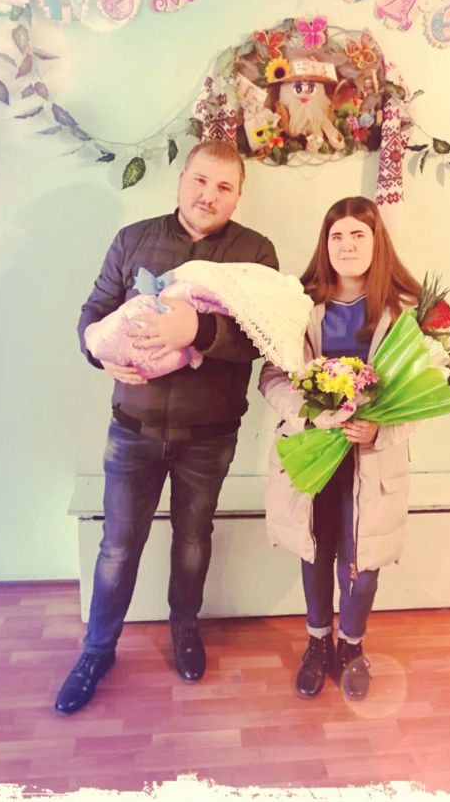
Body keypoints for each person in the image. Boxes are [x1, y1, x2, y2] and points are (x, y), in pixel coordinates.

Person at [55, 140, 278, 714]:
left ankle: (185, 629)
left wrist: (198, 332)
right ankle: (97, 651)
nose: (209, 195)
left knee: (193, 541)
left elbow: (261, 339)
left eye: (224, 187)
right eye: (201, 181)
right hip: (133, 427)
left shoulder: (255, 252)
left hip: (210, 435)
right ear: (182, 179)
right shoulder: (133, 239)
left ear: (238, 195)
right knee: (117, 546)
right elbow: (93, 310)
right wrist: (98, 354)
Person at [259, 196, 421, 701]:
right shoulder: (300, 307)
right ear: (324, 244)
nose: (347, 245)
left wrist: (380, 431)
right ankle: (316, 642)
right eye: (337, 236)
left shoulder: (403, 311)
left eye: (358, 235)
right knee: (316, 547)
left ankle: (351, 645)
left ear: (377, 242)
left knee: (361, 561)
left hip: (371, 461)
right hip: (313, 451)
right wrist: (308, 412)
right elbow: (271, 377)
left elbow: (425, 392)